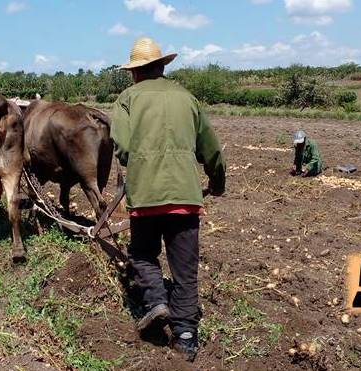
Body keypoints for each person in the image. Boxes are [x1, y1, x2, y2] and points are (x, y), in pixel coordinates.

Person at [110, 37, 226, 362]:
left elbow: (120, 145)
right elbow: (212, 149)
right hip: (186, 198)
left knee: (143, 255)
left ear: (134, 73)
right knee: (185, 270)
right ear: (162, 67)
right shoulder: (188, 98)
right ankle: (186, 336)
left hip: (145, 197)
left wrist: (140, 164)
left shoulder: (127, 99)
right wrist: (217, 183)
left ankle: (157, 302)